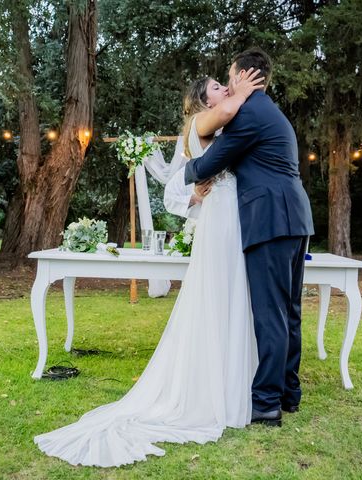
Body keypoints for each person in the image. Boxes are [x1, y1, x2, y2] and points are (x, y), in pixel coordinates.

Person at [34, 69, 265, 467]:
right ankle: (215, 391)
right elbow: (178, 182)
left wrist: (198, 191)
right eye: (217, 87)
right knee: (218, 296)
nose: (224, 89)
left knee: (233, 295)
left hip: (233, 218)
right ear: (204, 100)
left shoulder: (220, 126)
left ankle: (234, 384)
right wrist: (242, 91)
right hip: (221, 221)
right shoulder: (203, 122)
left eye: (224, 86)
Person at [184, 47, 314, 427]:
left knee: (270, 314)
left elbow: (210, 162)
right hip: (294, 218)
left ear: (244, 75)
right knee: (289, 312)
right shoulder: (270, 110)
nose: (227, 84)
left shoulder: (250, 114)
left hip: (271, 222)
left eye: (230, 76)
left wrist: (187, 166)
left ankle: (267, 404)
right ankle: (290, 392)